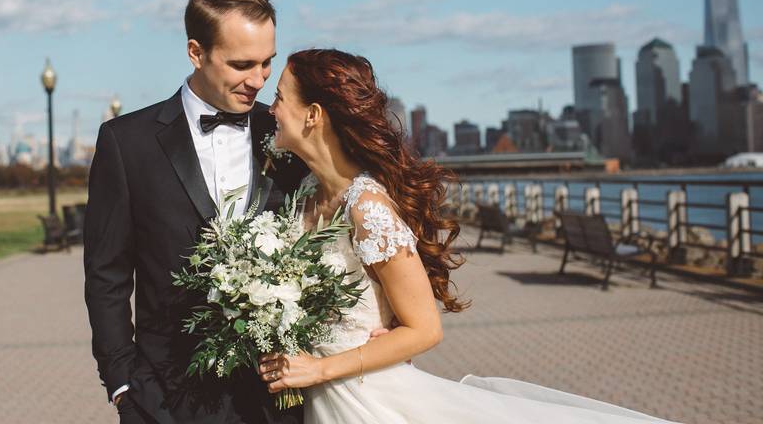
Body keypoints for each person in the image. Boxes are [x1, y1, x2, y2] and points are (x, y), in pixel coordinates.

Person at [257, 48, 682, 424]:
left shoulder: (366, 207)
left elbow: (425, 330)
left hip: (367, 400)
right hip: (317, 398)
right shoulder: (305, 196)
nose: (270, 108)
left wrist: (320, 369)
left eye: (279, 97)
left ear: (313, 115)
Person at [84, 0, 306, 423]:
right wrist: (123, 382)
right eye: (242, 64)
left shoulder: (286, 134)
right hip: (164, 396)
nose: (258, 80)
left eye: (267, 64)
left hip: (275, 398)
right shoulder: (127, 142)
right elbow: (106, 274)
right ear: (195, 52)